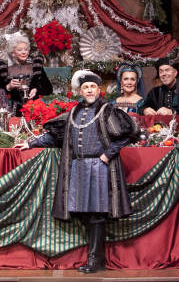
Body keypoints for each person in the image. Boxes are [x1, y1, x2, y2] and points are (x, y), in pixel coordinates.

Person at [17, 70, 140, 273]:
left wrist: (109, 153)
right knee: (83, 213)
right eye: (86, 87)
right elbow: (55, 137)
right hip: (78, 168)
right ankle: (96, 258)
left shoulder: (107, 110)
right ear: (80, 91)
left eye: (93, 87)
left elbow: (130, 133)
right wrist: (30, 144)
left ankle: (96, 261)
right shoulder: (73, 112)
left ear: (98, 90)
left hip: (100, 168)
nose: (90, 90)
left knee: (97, 215)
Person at [0, 31, 53, 116]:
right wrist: (9, 87)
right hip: (15, 113)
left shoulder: (36, 66)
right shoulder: (6, 70)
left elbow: (49, 89)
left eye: (26, 49)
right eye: (19, 50)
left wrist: (37, 90)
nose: (24, 52)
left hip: (35, 111)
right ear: (13, 53)